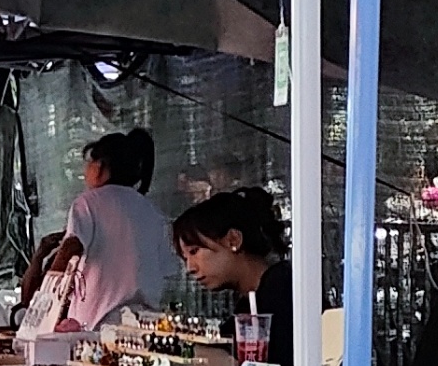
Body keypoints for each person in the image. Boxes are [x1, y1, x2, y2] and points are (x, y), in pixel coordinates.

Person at [20, 129, 177, 335]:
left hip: (97, 326)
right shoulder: (153, 213)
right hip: (145, 325)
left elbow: (71, 247)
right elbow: (166, 271)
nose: (85, 171)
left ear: (100, 167)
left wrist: (45, 296)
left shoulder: (88, 202)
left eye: (88, 163)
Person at [169, 186, 297, 335]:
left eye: (194, 251)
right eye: (185, 258)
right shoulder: (248, 303)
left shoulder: (282, 290)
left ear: (233, 240)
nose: (190, 267)